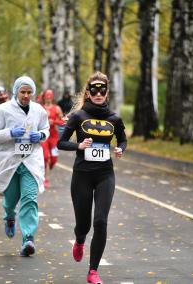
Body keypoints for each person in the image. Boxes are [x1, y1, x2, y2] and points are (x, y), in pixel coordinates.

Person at [57, 71, 127, 284]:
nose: (98, 94)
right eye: (94, 90)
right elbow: (61, 142)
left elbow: (122, 140)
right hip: (82, 175)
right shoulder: (78, 117)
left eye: (102, 90)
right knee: (83, 225)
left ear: (107, 93)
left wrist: (120, 149)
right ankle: (79, 240)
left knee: (101, 221)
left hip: (105, 174)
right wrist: (79, 145)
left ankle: (93, 271)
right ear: (88, 93)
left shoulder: (114, 118)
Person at [0, 75, 49, 257]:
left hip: (31, 161)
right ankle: (10, 218)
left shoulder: (38, 110)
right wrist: (10, 133)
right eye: (23, 91)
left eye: (29, 92)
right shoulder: (2, 110)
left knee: (30, 198)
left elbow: (45, 128)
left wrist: (41, 136)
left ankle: (28, 238)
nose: (26, 95)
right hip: (10, 161)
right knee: (10, 201)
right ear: (16, 92)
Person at [39, 89, 64, 188]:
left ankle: (47, 169)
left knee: (53, 159)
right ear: (44, 96)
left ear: (52, 97)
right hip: (44, 136)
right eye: (47, 95)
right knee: (45, 157)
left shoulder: (57, 108)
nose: (48, 97)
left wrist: (54, 122)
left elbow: (62, 121)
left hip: (54, 136)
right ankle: (45, 178)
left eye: (50, 95)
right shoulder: (39, 108)